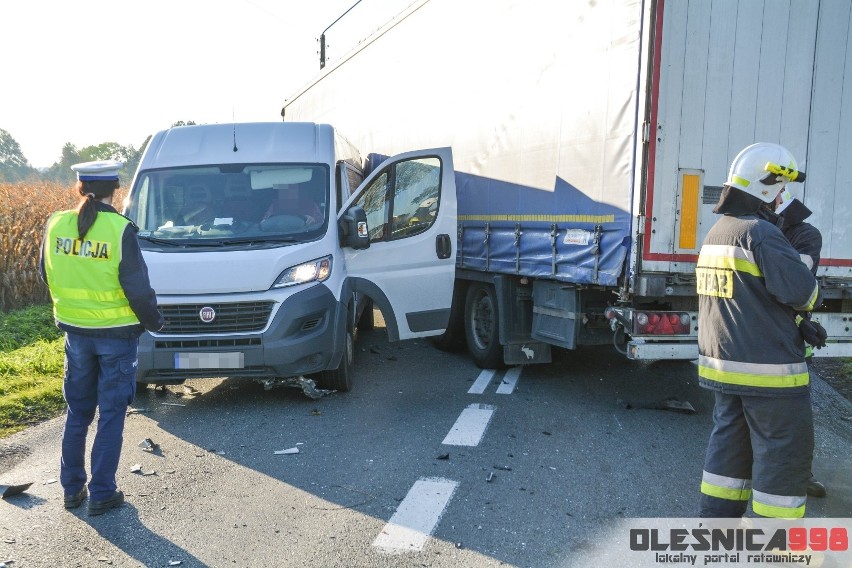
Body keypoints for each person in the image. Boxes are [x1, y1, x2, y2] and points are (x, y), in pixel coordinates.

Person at [696, 142, 822, 518]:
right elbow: (803, 292)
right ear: (766, 187)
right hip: (769, 373)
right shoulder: (761, 234)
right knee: (783, 455)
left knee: (728, 455)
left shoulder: (717, 232)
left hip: (723, 367)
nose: (783, 196)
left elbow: (748, 299)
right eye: (780, 188)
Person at [40, 159, 163, 516]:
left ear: (79, 188)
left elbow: (45, 274)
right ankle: (103, 492)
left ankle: (71, 489)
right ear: (117, 190)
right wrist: (155, 322)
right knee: (111, 414)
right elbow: (138, 290)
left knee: (78, 412)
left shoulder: (55, 224)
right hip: (117, 337)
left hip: (76, 334)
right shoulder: (119, 229)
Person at [774, 189, 828, 498]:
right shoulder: (759, 230)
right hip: (768, 340)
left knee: (795, 416)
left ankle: (799, 474)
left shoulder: (806, 235)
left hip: (790, 343)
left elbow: (796, 283)